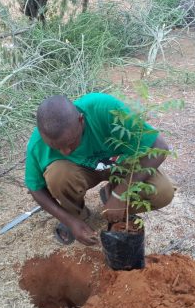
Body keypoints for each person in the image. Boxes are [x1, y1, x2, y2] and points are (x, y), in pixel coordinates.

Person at [24, 93, 175, 246]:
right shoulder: (37, 143)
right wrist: (69, 221)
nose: (66, 152)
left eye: (71, 142)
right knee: (58, 175)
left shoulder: (105, 109)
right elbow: (35, 188)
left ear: (81, 120)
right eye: (57, 148)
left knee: (162, 192)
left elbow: (160, 146)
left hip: (121, 165)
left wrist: (120, 193)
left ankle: (111, 194)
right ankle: (77, 215)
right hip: (80, 172)